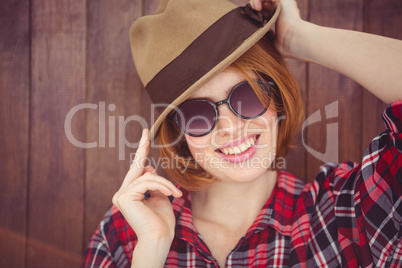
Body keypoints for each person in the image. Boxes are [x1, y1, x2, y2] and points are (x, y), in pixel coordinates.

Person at [82, 0, 402, 267]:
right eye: (197, 113)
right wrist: (151, 252)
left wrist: (298, 38)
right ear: (180, 132)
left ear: (275, 98)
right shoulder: (127, 234)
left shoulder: (342, 212)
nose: (230, 128)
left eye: (247, 95)